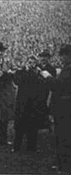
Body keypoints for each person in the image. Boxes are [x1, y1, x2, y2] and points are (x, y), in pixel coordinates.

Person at [41, 44, 71, 174]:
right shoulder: (67, 68)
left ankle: (64, 167)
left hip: (64, 110)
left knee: (63, 138)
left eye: (62, 55)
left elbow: (59, 86)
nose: (61, 58)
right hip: (64, 108)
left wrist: (47, 76)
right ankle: (62, 165)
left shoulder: (68, 69)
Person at [11, 55, 48, 153]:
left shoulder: (38, 73)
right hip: (22, 103)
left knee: (32, 126)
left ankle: (31, 147)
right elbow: (17, 81)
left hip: (33, 103)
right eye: (30, 63)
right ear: (26, 63)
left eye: (33, 63)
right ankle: (16, 147)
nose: (32, 65)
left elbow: (42, 84)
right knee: (19, 127)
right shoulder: (21, 72)